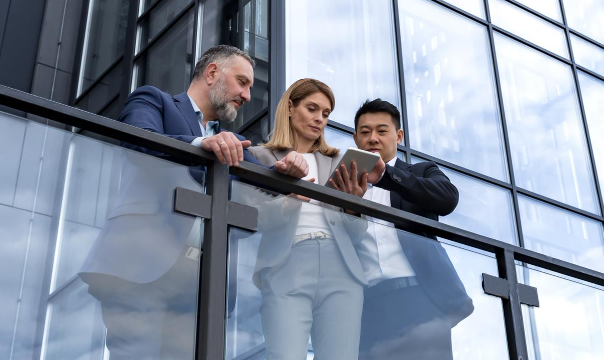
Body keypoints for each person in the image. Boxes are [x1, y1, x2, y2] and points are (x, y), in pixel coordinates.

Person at [79, 45, 308, 360]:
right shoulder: (153, 101)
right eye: (242, 82)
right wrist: (202, 144)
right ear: (212, 72)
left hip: (200, 283)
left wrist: (287, 174)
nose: (247, 95)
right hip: (142, 268)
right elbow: (138, 139)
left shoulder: (232, 146)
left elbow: (261, 182)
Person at [246, 78, 380, 360]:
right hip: (286, 263)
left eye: (326, 114)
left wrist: (354, 206)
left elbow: (357, 234)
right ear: (291, 108)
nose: (320, 118)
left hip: (341, 267)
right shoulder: (260, 157)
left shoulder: (338, 161)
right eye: (312, 108)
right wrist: (291, 199)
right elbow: (252, 217)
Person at [333, 98, 473, 360]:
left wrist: (387, 176)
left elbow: (448, 198)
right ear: (355, 138)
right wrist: (350, 205)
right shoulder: (343, 183)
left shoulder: (420, 171)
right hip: (366, 307)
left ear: (398, 136)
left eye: (381, 131)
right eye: (365, 132)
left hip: (420, 299)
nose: (373, 138)